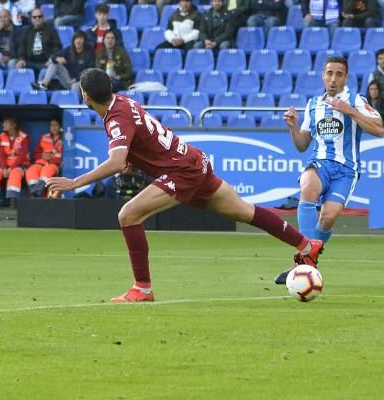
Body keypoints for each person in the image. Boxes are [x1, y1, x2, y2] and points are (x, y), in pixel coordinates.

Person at [45, 68, 325, 302]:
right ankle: (306, 245)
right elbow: (141, 139)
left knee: (128, 215)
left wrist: (75, 182)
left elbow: (117, 161)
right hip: (194, 161)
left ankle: (142, 288)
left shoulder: (116, 117)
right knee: (245, 211)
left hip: (181, 172)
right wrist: (133, 157)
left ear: (86, 96)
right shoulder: (123, 102)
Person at [272, 56, 384, 284]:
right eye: (329, 73)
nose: (333, 79)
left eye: (338, 74)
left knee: (327, 219)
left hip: (346, 170)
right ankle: (304, 261)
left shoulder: (356, 100)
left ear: (346, 77)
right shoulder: (313, 104)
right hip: (319, 162)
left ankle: (306, 262)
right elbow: (302, 145)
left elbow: (379, 129)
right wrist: (293, 127)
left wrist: (350, 111)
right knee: (308, 185)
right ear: (322, 75)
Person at [0, 116, 30, 202]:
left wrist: (11, 168)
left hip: (21, 165)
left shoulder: (24, 137)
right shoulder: (2, 136)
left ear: (13, 125)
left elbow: (22, 156)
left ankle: (12, 200)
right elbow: (1, 155)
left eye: (6, 123)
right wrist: (3, 168)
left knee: (15, 173)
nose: (3, 124)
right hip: (4, 166)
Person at [26, 119, 64, 198]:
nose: (54, 127)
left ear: (60, 126)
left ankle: (36, 193)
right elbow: (35, 154)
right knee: (31, 170)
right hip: (41, 163)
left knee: (47, 170)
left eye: (56, 125)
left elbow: (66, 157)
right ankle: (34, 194)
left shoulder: (65, 139)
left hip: (54, 165)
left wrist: (52, 158)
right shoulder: (44, 137)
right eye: (51, 125)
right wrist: (42, 156)